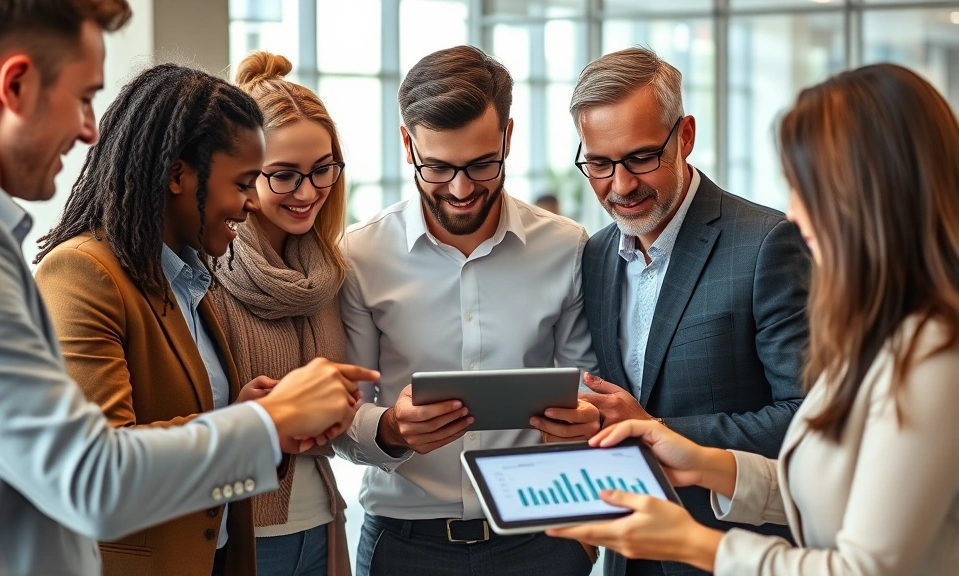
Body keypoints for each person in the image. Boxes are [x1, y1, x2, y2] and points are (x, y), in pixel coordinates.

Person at [0, 2, 375, 575]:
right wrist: (271, 421)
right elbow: (91, 478)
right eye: (84, 96)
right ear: (15, 84)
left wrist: (243, 415)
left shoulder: (185, 278)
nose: (90, 129)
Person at [549, 62, 959, 576]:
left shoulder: (932, 353)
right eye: (601, 164)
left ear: (873, 198)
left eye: (807, 187)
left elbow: (866, 565)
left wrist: (698, 544)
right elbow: (824, 485)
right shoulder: (880, 333)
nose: (795, 211)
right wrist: (698, 460)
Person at [334, 45, 601, 576]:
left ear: (507, 137)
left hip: (541, 539)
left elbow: (589, 388)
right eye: (438, 168)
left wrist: (585, 421)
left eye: (481, 165)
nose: (460, 190)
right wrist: (389, 429)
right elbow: (343, 416)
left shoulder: (566, 247)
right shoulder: (358, 256)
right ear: (408, 145)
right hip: (404, 544)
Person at [33, 62, 284, 576]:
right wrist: (256, 424)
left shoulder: (187, 279)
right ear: (177, 175)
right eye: (243, 183)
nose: (254, 204)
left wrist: (252, 419)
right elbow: (100, 471)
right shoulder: (82, 274)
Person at [571, 47, 810, 576]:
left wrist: (656, 429)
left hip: (736, 553)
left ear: (684, 137)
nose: (621, 185)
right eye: (599, 164)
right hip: (629, 556)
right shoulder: (595, 255)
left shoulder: (767, 244)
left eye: (640, 158)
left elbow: (806, 419)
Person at [211, 52, 352, 576]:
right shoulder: (205, 271)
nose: (309, 192)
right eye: (285, 176)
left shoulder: (328, 271)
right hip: (237, 532)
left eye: (322, 171)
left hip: (320, 521)